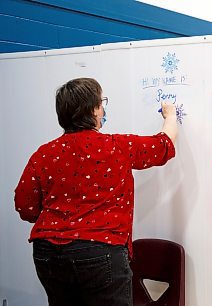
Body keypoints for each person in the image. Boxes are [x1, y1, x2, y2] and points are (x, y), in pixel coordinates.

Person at [14, 77, 178, 306]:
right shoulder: (117, 147)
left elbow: (25, 207)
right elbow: (164, 145)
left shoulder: (43, 154)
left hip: (48, 253)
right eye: (101, 103)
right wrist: (170, 115)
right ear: (93, 110)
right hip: (100, 251)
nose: (103, 108)